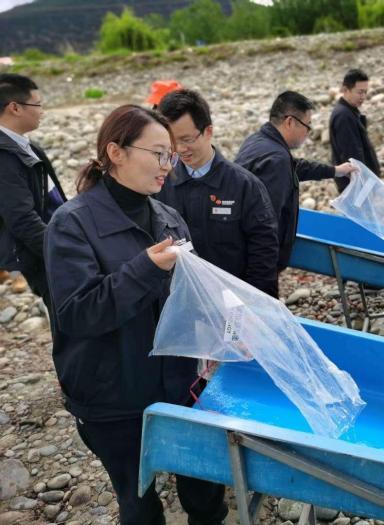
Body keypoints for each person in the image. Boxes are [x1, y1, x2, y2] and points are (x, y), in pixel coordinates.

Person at [44, 105, 227, 525]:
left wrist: (222, 327)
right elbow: (77, 314)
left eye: (172, 156)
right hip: (114, 397)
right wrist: (144, 267)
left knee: (204, 488)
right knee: (139, 500)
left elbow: (192, 297)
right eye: (159, 153)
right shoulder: (71, 225)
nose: (168, 166)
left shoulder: (168, 217)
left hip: (180, 384)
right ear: (116, 152)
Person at [156, 89, 280, 297]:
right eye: (172, 142)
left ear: (208, 131)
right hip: (182, 297)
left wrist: (251, 305)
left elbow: (264, 254)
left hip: (232, 300)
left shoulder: (244, 186)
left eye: (187, 139)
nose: (180, 149)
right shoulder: (161, 183)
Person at [235, 91, 355, 273]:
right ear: (290, 122)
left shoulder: (258, 141)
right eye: (308, 126)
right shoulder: (277, 159)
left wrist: (336, 170)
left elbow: (295, 167)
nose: (308, 132)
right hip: (253, 259)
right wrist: (265, 274)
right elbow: (266, 223)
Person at [0, 73, 66, 307]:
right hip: (44, 256)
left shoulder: (27, 146)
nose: (42, 111)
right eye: (37, 104)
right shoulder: (4, 156)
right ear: (15, 108)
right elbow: (22, 219)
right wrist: (62, 251)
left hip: (55, 244)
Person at [329, 68, 380, 193]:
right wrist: (363, 185)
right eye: (360, 92)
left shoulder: (349, 112)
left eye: (365, 92)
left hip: (359, 184)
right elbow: (351, 155)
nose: (363, 97)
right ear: (345, 90)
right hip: (355, 186)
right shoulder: (344, 116)